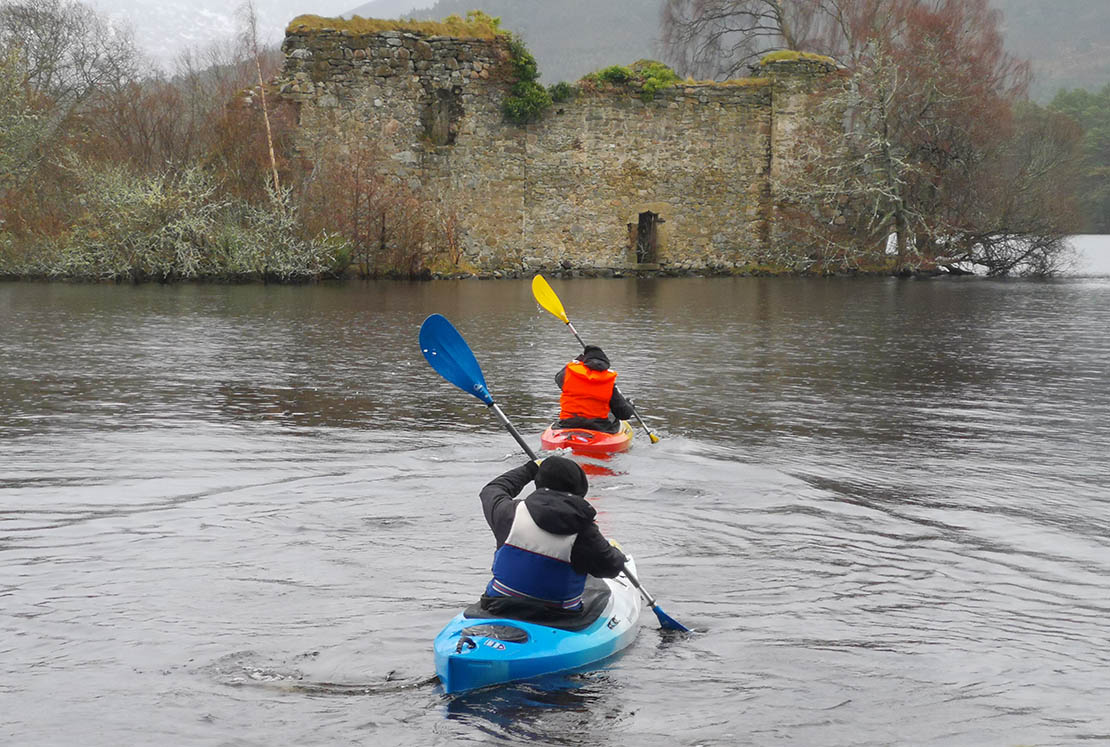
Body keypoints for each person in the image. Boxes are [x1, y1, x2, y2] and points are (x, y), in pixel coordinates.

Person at [478, 456, 627, 621]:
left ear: (539, 483)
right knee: (595, 586)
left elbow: (493, 489)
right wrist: (615, 552)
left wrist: (530, 469)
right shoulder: (584, 530)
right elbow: (611, 568)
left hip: (498, 604)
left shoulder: (509, 513)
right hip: (558, 616)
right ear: (580, 489)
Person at [554, 345, 635, 434]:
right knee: (613, 414)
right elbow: (623, 414)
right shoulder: (608, 383)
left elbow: (558, 378)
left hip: (568, 423)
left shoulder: (570, 374)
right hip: (598, 427)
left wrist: (578, 359)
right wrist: (630, 406)